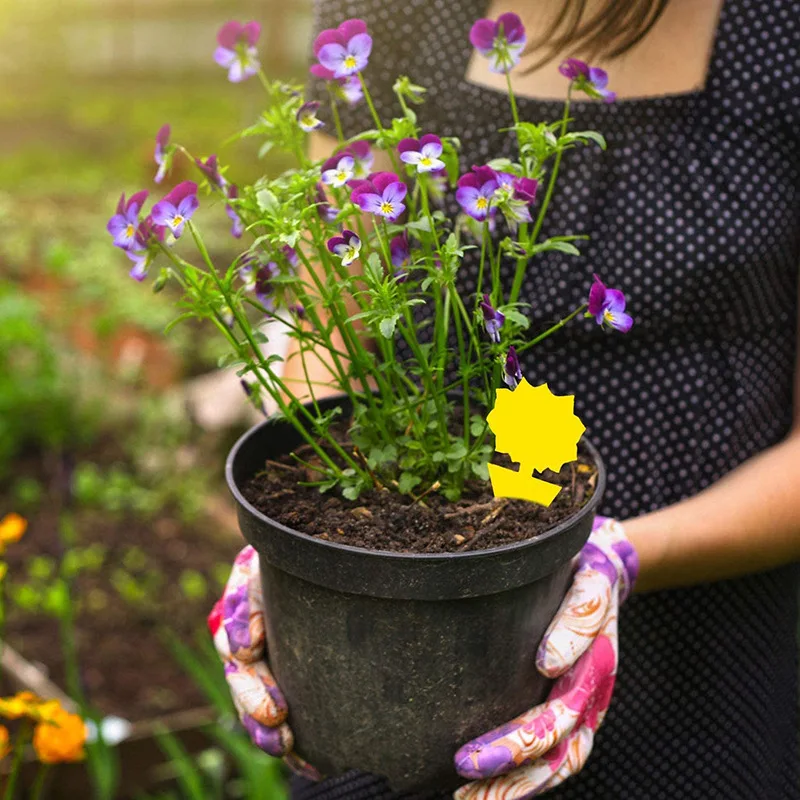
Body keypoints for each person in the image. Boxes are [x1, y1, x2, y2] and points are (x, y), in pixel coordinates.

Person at [210, 0, 800, 797]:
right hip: (404, 637)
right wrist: (293, 554)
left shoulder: (779, 36)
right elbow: (327, 331)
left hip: (706, 641)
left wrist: (613, 559)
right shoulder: (392, 14)